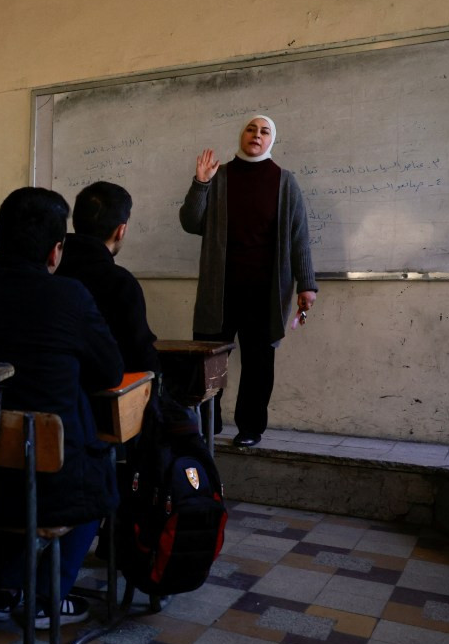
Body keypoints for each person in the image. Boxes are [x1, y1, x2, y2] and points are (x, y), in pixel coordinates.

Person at [0, 187, 124, 628]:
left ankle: (3, 588)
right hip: (54, 482)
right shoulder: (70, 297)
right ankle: (47, 596)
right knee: (100, 481)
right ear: (56, 249)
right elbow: (110, 372)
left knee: (13, 454)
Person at [178, 115, 318, 447]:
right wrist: (201, 183)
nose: (256, 135)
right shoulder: (219, 176)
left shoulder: (285, 182)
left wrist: (306, 284)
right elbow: (190, 222)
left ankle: (251, 429)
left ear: (272, 140)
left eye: (264, 131)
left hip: (265, 293)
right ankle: (208, 425)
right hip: (219, 291)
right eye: (251, 129)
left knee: (258, 364)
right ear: (241, 135)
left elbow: (300, 239)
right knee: (210, 361)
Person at [57, 180, 163, 385]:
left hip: (61, 392)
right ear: (120, 231)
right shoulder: (121, 283)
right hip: (110, 399)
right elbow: (142, 357)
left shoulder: (53, 272)